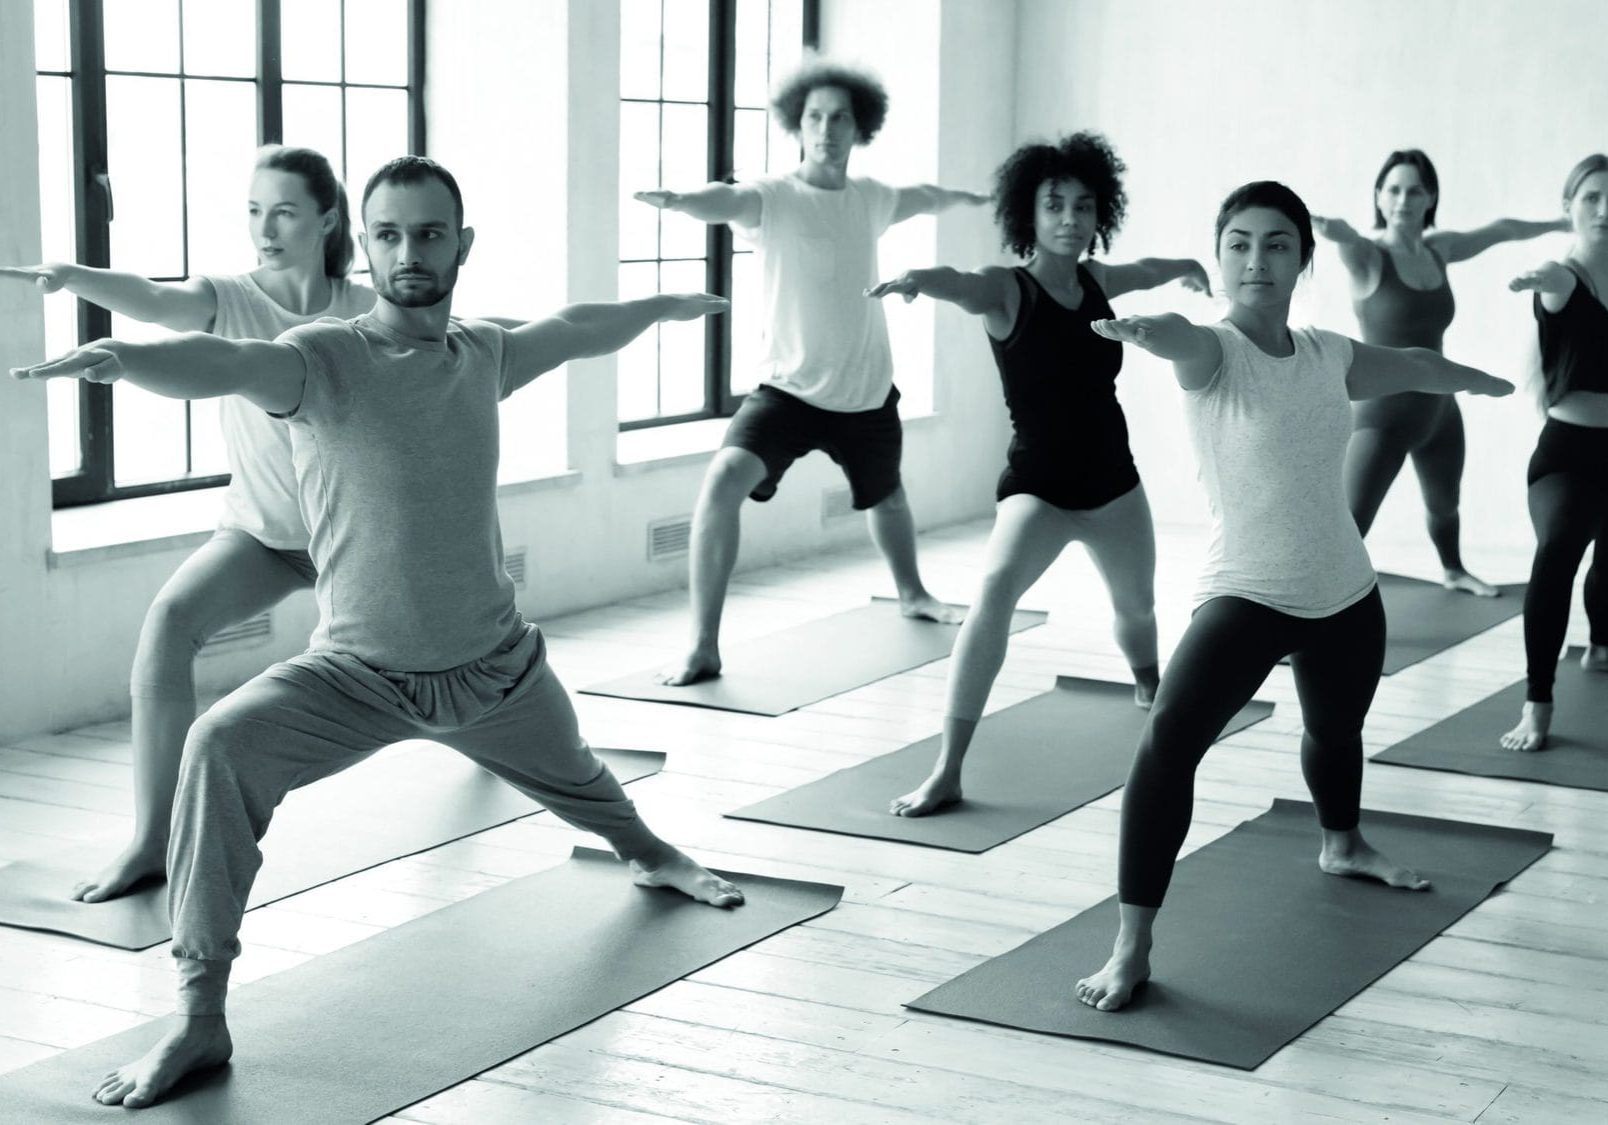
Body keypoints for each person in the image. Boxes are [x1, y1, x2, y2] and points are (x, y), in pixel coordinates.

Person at [13, 155, 743, 1109]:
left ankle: (652, 855)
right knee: (219, 745)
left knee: (590, 787)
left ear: (461, 245)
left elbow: (572, 329)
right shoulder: (322, 356)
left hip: (494, 669)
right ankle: (198, 1014)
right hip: (356, 675)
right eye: (389, 234)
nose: (408, 253)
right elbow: (226, 363)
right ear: (365, 242)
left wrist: (668, 306)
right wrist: (126, 360)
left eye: (429, 233)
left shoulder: (481, 354)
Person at [1070, 181, 1512, 1013]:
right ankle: (1132, 942)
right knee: (1168, 743)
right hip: (1249, 590)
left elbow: (1413, 364)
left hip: (1345, 589)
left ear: (1304, 259)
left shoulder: (1326, 354)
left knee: (1336, 730)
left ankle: (1341, 843)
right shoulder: (1215, 353)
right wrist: (1141, 330)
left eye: (1276, 244)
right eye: (1238, 242)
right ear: (1221, 255)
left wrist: (1476, 380)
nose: (1256, 259)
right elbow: (1179, 338)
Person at [0, 145, 375, 903]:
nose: (264, 228)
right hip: (263, 536)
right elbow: (154, 301)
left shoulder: (364, 310)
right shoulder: (234, 296)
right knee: (170, 621)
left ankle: (492, 741)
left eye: (284, 211)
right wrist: (75, 278)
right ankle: (150, 839)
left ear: (327, 218)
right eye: (252, 210)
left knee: (436, 660)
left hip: (359, 537)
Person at [866, 132, 1209, 817]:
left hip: (1114, 484)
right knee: (993, 591)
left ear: (1098, 214)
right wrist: (914, 281)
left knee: (1137, 609)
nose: (1070, 219)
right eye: (1055, 205)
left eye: (1084, 207)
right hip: (1040, 488)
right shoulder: (1006, 290)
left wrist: (1190, 265)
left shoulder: (1098, 281)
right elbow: (957, 283)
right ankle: (948, 767)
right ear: (1031, 211)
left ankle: (1148, 683)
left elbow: (1145, 268)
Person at [633, 56, 989, 686]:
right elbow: (728, 199)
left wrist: (966, 197)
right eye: (815, 117)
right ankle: (703, 645)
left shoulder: (871, 199)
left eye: (840, 118)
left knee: (887, 495)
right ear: (798, 124)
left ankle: (913, 594)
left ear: (860, 128)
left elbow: (922, 198)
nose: (826, 129)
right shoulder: (774, 198)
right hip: (787, 391)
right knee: (721, 484)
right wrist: (684, 200)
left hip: (865, 387)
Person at [1312, 149, 1566, 596]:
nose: (1402, 200)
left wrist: (1563, 224)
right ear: (1378, 195)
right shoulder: (1368, 257)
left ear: (1430, 197)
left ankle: (1453, 570)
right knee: (1350, 523)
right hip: (1382, 416)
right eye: (1392, 189)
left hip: (1439, 409)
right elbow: (1345, 236)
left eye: (1413, 190)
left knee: (1446, 504)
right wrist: (1320, 223)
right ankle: (1302, 605)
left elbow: (1502, 230)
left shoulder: (1438, 249)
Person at [1500, 154, 1608, 753]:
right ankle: (1537, 701)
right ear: (1569, 204)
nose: (1605, 209)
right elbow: (1553, 279)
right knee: (1562, 543)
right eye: (1592, 196)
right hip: (1566, 456)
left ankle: (1601, 641)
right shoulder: (1566, 276)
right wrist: (1534, 281)